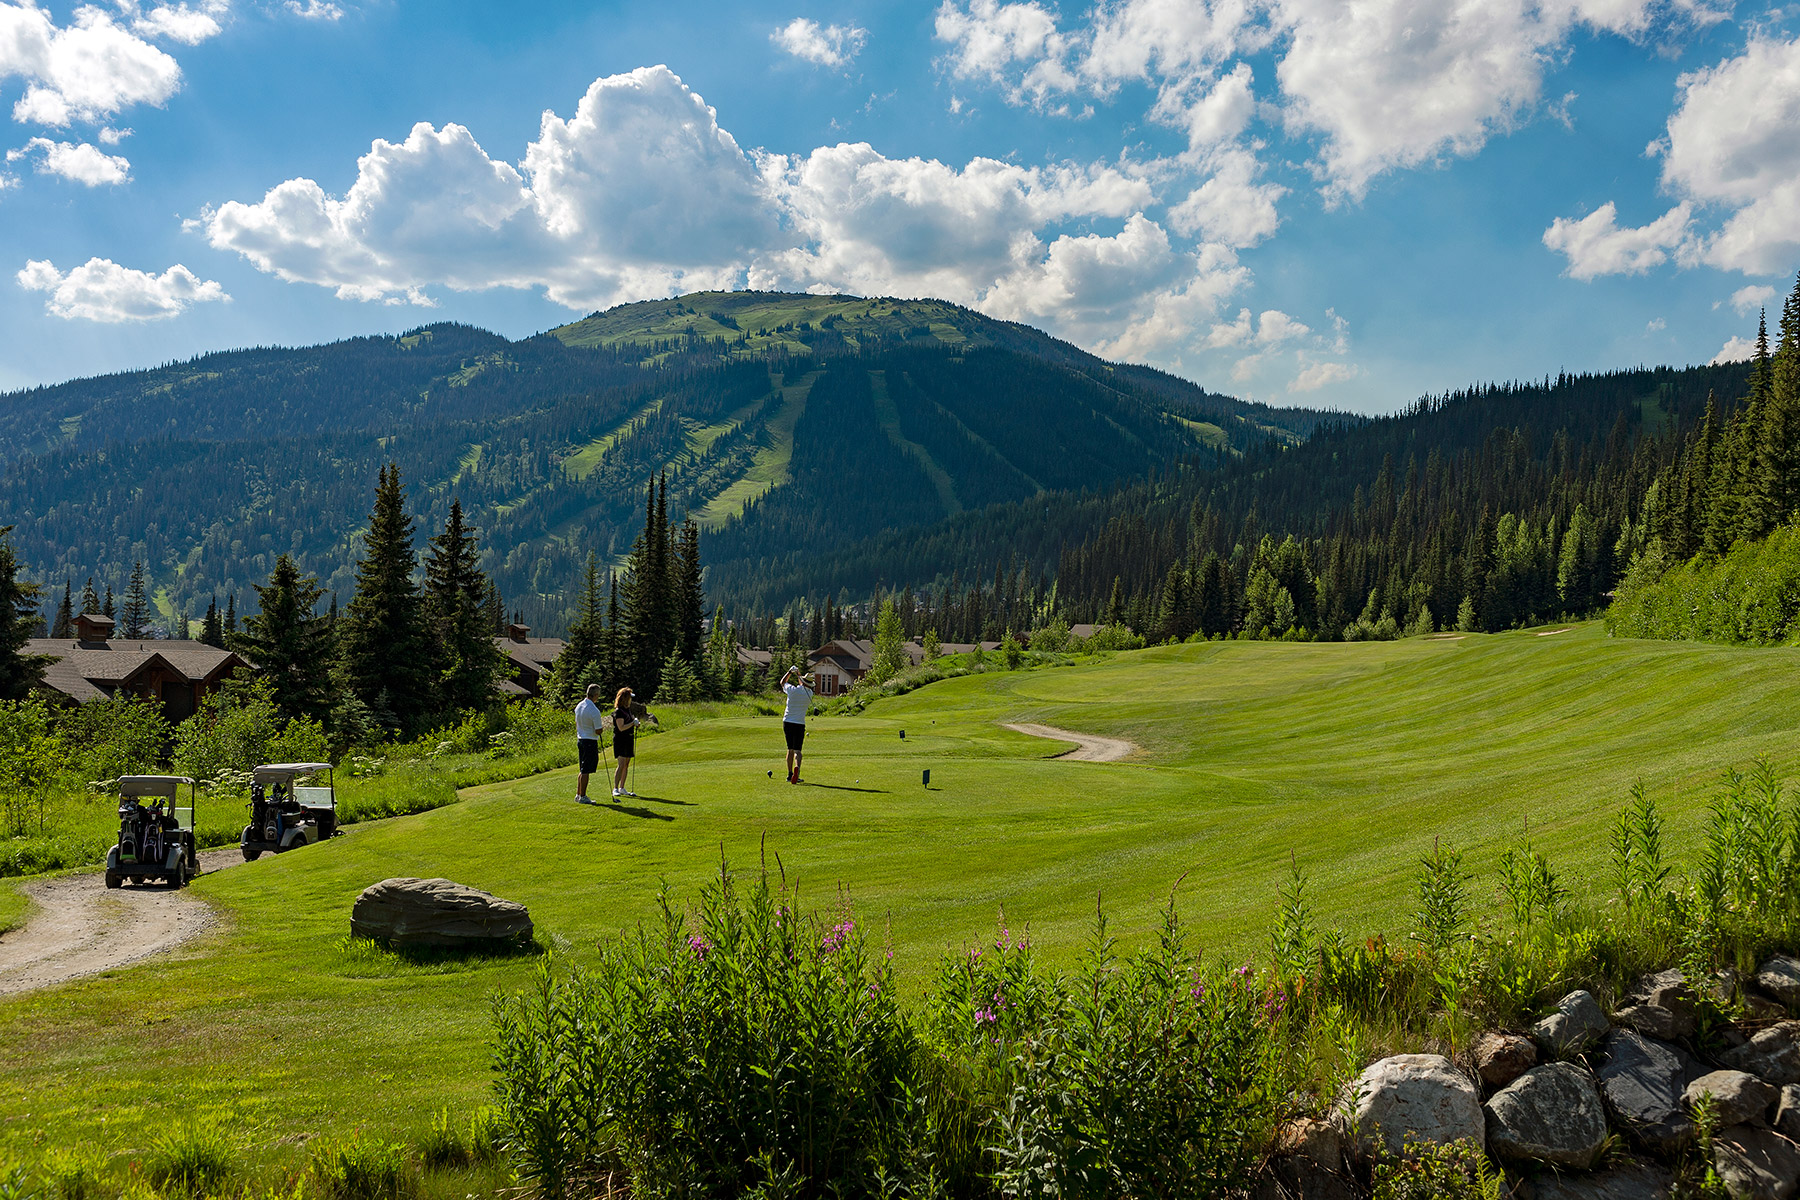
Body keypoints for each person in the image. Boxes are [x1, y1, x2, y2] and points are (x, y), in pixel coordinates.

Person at [611, 687, 647, 799]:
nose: (631, 700)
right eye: (629, 698)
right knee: (621, 764)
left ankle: (622, 787)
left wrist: (636, 723)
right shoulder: (618, 712)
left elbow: (630, 723)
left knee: (626, 764)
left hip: (628, 739)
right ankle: (615, 788)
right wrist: (632, 723)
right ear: (625, 698)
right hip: (620, 740)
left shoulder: (627, 710)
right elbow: (621, 727)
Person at [781, 666, 814, 784]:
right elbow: (803, 683)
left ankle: (790, 774)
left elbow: (782, 682)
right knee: (797, 751)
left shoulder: (792, 690)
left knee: (789, 749)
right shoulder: (810, 694)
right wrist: (799, 674)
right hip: (799, 724)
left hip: (787, 722)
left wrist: (790, 672)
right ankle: (797, 770)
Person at [573, 683, 604, 804]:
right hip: (589, 741)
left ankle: (578, 794)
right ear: (595, 695)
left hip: (581, 739)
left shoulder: (579, 705)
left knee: (582, 768)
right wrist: (602, 729)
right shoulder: (594, 710)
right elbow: (598, 730)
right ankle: (583, 796)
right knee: (586, 770)